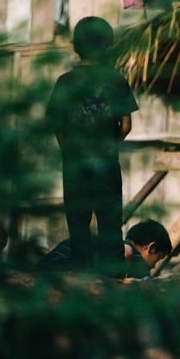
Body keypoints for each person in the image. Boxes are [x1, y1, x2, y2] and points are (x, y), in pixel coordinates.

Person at [48, 16, 139, 276]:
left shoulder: (64, 82)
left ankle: (82, 276)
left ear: (76, 46)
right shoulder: (116, 80)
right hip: (107, 163)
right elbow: (126, 126)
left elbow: (57, 125)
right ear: (108, 45)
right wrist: (109, 145)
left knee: (78, 221)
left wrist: (69, 150)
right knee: (110, 222)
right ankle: (114, 276)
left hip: (74, 163)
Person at [41, 218, 172, 278]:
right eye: (158, 259)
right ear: (151, 248)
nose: (154, 266)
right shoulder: (136, 259)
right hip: (62, 266)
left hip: (52, 262)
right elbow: (126, 252)